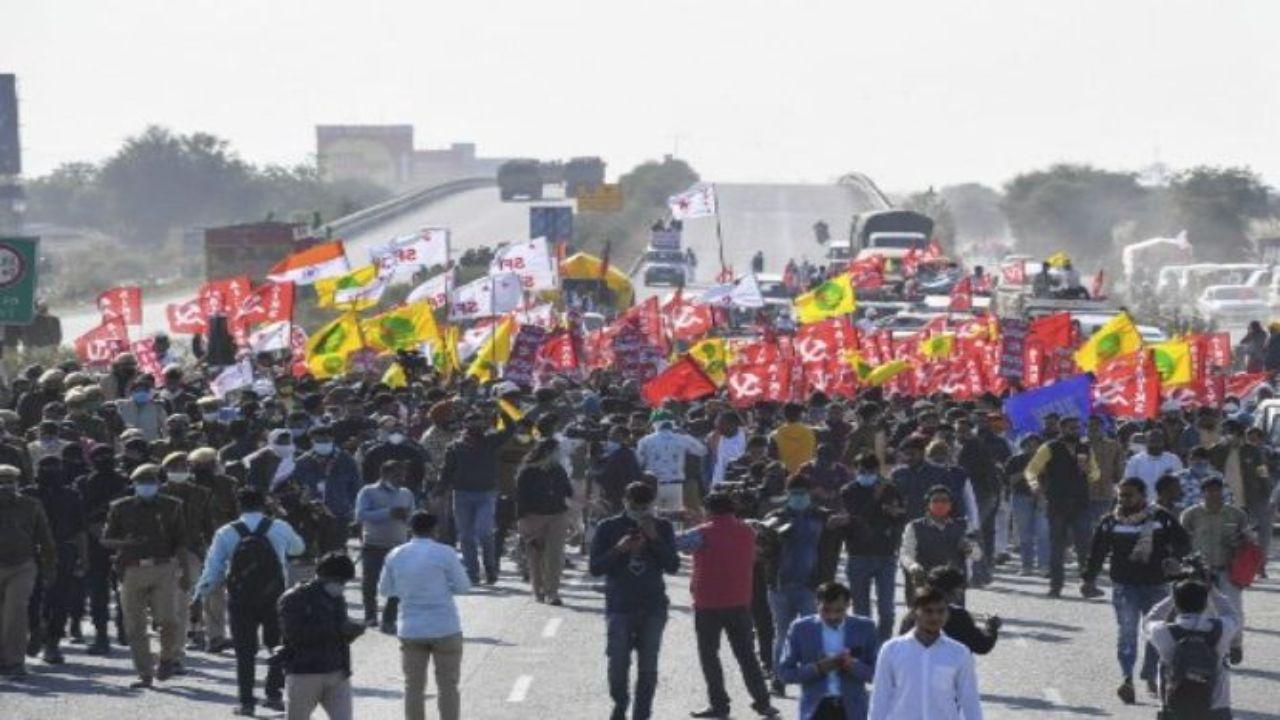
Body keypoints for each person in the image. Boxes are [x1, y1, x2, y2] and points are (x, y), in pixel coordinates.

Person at [1080, 477, 1191, 704]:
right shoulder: (1110, 522)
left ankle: (1151, 673)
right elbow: (1097, 551)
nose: (1123, 499)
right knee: (1127, 633)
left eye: (1129, 495)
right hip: (1124, 585)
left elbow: (1184, 542)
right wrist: (1089, 579)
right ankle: (1126, 678)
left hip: (1157, 584)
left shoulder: (1162, 518)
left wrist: (1174, 559)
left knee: (1156, 632)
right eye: (1120, 495)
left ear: (1142, 495)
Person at [196, 487, 305, 716]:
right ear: (264, 504)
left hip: (240, 598)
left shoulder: (226, 531)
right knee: (276, 645)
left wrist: (200, 595)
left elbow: (213, 568)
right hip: (276, 596)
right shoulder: (279, 527)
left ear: (239, 506)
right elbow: (299, 548)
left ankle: (246, 701)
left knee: (244, 651)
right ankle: (274, 695)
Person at [679, 491, 780, 718]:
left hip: (708, 603)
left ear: (709, 511)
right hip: (739, 601)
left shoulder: (702, 533)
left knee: (709, 656)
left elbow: (678, 544)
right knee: (746, 655)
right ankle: (763, 703)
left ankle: (720, 705)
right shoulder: (748, 531)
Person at [590, 481, 680, 720]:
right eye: (634, 506)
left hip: (653, 606)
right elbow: (596, 568)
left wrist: (654, 538)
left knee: (648, 667)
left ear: (651, 505)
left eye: (644, 507)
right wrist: (619, 550)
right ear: (625, 502)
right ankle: (620, 704)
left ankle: (642, 714)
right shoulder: (608, 527)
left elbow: (673, 566)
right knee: (617, 664)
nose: (639, 512)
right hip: (620, 605)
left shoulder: (662, 526)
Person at [101, 464, 191, 689]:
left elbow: (181, 541)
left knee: (168, 620)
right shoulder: (120, 507)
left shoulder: (172, 506)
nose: (146, 486)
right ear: (133, 485)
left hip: (164, 568)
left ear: (159, 485)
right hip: (131, 569)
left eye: (151, 482)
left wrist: (186, 572)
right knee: (134, 626)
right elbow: (106, 539)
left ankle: (167, 659)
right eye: (141, 482)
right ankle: (144, 673)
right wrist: (126, 543)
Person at [379, 511, 470, 720]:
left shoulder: (395, 554)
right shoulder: (445, 553)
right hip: (445, 626)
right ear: (435, 530)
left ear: (410, 529)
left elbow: (385, 590)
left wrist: (407, 590)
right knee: (448, 685)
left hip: (411, 628)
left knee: (413, 686)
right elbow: (463, 586)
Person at [757, 473, 829, 696]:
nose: (798, 497)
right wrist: (769, 537)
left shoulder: (821, 517)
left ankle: (813, 678)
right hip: (780, 585)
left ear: (810, 494)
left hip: (811, 584)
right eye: (794, 493)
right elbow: (762, 551)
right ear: (787, 494)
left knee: (812, 633)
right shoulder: (774, 517)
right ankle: (779, 679)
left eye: (802, 493)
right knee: (782, 634)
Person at [868, 585, 983, 720]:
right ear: (915, 612)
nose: (935, 617)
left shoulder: (959, 653)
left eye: (941, 611)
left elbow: (970, 700)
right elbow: (880, 697)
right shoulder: (892, 650)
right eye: (928, 611)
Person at [277, 552, 365, 720]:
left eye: (344, 582)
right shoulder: (294, 598)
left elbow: (340, 633)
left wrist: (352, 631)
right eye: (339, 581)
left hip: (337, 673)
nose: (342, 586)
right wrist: (339, 629)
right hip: (304, 673)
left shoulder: (337, 598)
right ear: (324, 576)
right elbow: (294, 635)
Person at [775, 581, 879, 720]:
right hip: (816, 710)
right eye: (826, 610)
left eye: (839, 610)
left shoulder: (865, 627)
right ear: (816, 604)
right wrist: (817, 668)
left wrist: (852, 664)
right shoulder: (800, 629)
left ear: (849, 605)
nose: (832, 616)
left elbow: (878, 674)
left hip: (852, 710)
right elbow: (784, 673)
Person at [1180, 475, 1251, 665]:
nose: (1213, 494)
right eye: (1209, 490)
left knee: (1233, 609)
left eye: (1217, 490)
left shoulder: (1236, 515)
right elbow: (1182, 541)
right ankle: (1210, 649)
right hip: (1200, 572)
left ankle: (1235, 645)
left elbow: (1249, 541)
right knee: (1204, 612)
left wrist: (1241, 543)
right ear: (1202, 493)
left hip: (1228, 570)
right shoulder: (1191, 514)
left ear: (1223, 491)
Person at [1142, 580, 1239, 720]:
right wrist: (1213, 591)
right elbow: (1231, 615)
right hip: (1216, 707)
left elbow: (1150, 619)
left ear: (1177, 606)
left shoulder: (1163, 632)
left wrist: (1172, 596)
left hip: (1173, 708)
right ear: (1205, 604)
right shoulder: (1221, 629)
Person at [1024, 415, 1098, 597]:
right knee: (1057, 546)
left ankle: (1088, 585)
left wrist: (1088, 471)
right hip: (1057, 504)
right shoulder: (1050, 447)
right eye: (1071, 428)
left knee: (1084, 547)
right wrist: (1035, 487)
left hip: (1080, 503)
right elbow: (1031, 470)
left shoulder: (1085, 448)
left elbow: (1096, 473)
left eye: (1077, 428)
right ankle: (1056, 586)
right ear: (1062, 428)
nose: (1075, 431)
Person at [439, 410, 514, 585]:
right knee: (465, 535)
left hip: (486, 493)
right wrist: (440, 488)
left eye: (478, 422)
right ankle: (472, 572)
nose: (475, 426)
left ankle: (490, 568)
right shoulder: (455, 446)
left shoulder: (491, 442)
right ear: (464, 425)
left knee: (484, 532)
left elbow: (510, 429)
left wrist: (501, 409)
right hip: (462, 494)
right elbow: (446, 471)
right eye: (471, 422)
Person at [836, 452, 905, 640]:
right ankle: (865, 649)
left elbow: (902, 517)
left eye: (870, 470)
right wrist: (875, 497)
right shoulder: (848, 491)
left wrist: (896, 513)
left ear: (877, 470)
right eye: (862, 470)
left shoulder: (890, 489)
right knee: (861, 610)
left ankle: (883, 646)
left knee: (887, 609)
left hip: (885, 554)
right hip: (858, 554)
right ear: (856, 470)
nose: (866, 474)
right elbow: (855, 518)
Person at [0, 464, 55, 678]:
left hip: (22, 566)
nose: (5, 485)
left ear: (18, 483)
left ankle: (15, 661)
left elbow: (45, 538)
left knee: (16, 612)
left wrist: (50, 567)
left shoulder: (30, 505)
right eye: (2, 481)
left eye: (10, 481)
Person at [157, 451, 212, 664]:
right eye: (173, 468)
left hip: (190, 552)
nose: (178, 472)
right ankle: (167, 649)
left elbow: (209, 526)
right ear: (166, 471)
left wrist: (211, 552)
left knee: (180, 603)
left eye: (182, 468)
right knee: (163, 606)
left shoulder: (202, 494)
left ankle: (175, 655)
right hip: (161, 553)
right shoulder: (157, 494)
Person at [76, 444, 130, 655]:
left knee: (120, 589)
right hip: (99, 541)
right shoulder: (85, 482)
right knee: (103, 591)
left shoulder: (123, 482)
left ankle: (118, 630)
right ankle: (105, 633)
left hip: (115, 540)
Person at [354, 460, 415, 630]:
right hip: (373, 544)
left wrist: (410, 519)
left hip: (398, 546)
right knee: (370, 583)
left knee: (397, 584)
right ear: (384, 474)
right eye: (397, 475)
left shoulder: (406, 493)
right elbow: (361, 515)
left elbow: (412, 518)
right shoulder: (368, 492)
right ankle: (370, 616)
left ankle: (389, 619)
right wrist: (388, 513)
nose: (401, 478)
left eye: (403, 475)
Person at [188, 446, 238, 653]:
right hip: (191, 544)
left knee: (214, 590)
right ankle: (195, 631)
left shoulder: (228, 485)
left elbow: (235, 514)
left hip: (219, 543)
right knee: (195, 590)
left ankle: (215, 636)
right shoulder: (187, 487)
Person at [516, 437, 574, 605]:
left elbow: (567, 492)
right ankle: (538, 589)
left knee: (555, 555)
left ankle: (552, 592)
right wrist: (521, 520)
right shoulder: (527, 471)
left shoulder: (558, 470)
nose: (560, 454)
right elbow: (520, 498)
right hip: (533, 517)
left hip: (557, 516)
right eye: (557, 451)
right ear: (548, 452)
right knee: (536, 555)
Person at [899, 486, 976, 605]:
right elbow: (906, 554)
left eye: (944, 501)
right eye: (935, 500)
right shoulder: (914, 527)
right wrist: (913, 566)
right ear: (928, 504)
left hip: (952, 586)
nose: (940, 504)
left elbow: (978, 555)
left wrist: (969, 549)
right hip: (925, 583)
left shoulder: (963, 526)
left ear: (950, 505)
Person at [899, 566, 1000, 655]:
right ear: (952, 591)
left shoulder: (912, 615)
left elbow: (900, 648)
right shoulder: (959, 617)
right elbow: (982, 646)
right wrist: (992, 627)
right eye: (960, 588)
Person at [636, 412, 707, 514]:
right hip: (675, 485)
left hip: (653, 486)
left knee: (656, 517)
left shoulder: (645, 441)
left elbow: (639, 462)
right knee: (674, 518)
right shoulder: (682, 438)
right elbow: (702, 451)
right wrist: (687, 435)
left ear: (654, 423)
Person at [294, 425, 361, 528]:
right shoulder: (302, 462)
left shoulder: (346, 460)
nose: (323, 444)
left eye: (326, 440)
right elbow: (297, 486)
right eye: (319, 441)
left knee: (336, 543)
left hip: (340, 513)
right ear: (312, 441)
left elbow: (355, 486)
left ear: (332, 439)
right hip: (311, 514)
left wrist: (353, 508)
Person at [1124, 432, 1184, 499]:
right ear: (1146, 442)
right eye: (1152, 441)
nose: (1155, 444)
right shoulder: (1135, 460)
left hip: (1167, 503)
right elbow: (1129, 482)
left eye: (1158, 441)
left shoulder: (1173, 459)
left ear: (1163, 442)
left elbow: (1181, 481)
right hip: (1143, 503)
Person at [770, 402, 816, 477]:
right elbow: (814, 452)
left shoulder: (775, 434)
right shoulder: (811, 433)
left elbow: (773, 457)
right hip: (806, 473)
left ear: (784, 415)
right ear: (800, 415)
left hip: (786, 474)